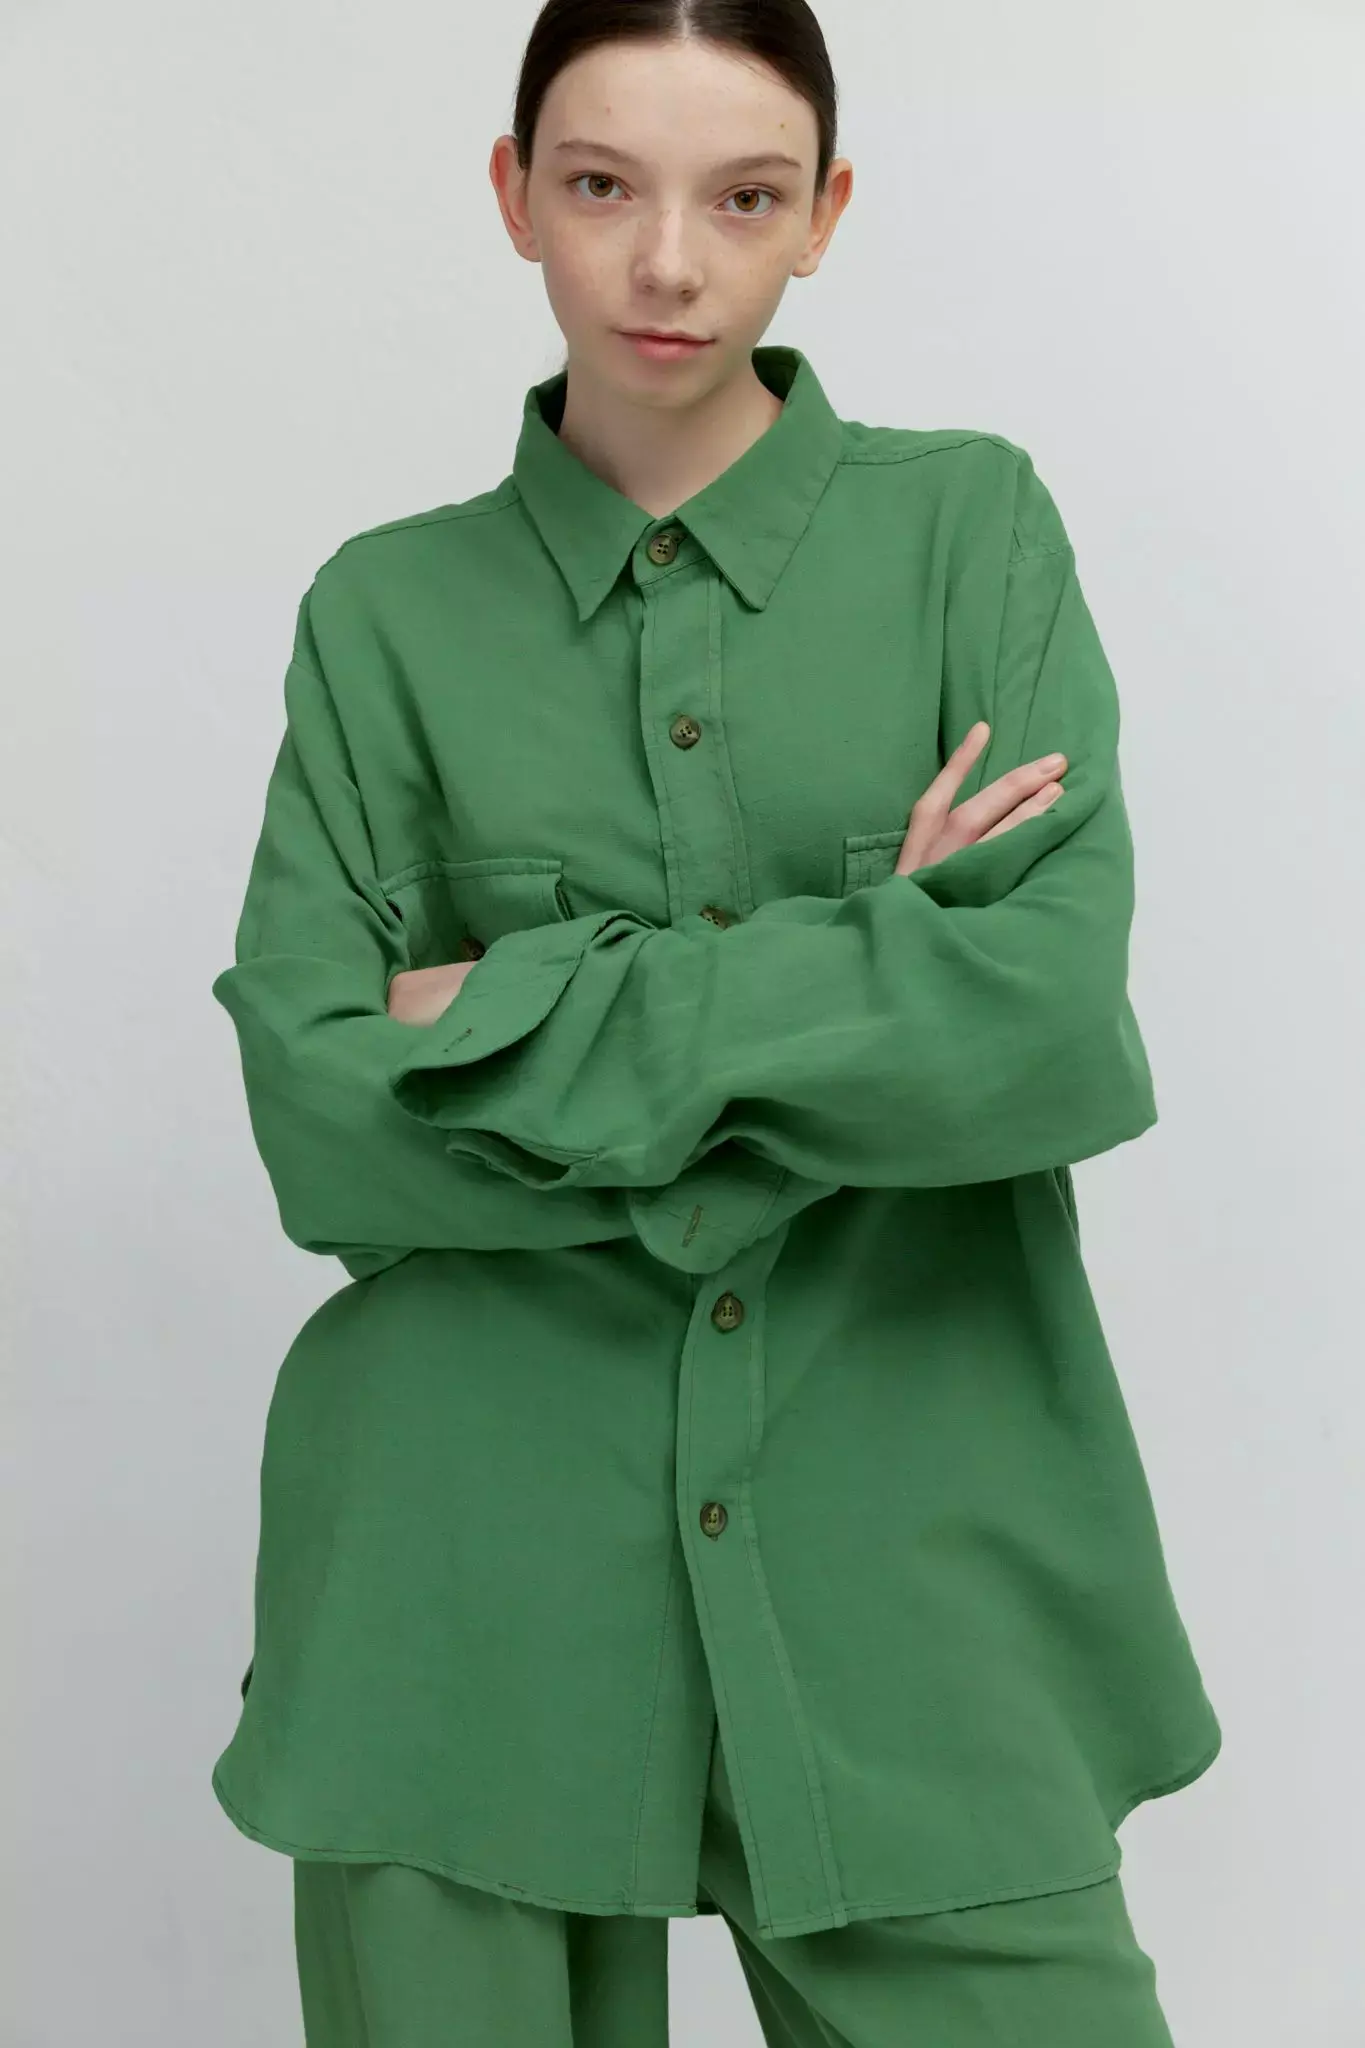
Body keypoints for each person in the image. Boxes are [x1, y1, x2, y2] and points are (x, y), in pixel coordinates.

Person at [209, 1, 1223, 2040]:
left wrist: (512, 1012)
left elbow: (1041, 1025)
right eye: (602, 185)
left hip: (915, 1563)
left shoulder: (970, 536)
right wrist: (871, 965)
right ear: (516, 196)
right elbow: (324, 1120)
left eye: (742, 198)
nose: (667, 262)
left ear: (822, 215)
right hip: (457, 1594)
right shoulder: (381, 619)